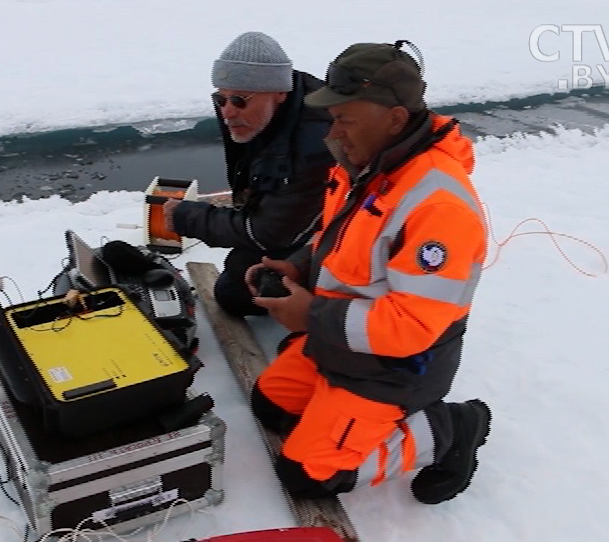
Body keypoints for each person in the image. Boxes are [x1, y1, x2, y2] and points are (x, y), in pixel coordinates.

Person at [245, 40, 492, 504]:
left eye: (345, 118)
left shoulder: (438, 204)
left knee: (306, 478)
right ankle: (332, 408)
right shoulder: (365, 163)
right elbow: (340, 240)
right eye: (332, 116)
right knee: (269, 405)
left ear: (395, 118)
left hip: (392, 368)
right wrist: (297, 267)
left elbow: (411, 327)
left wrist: (310, 315)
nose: (332, 130)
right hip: (337, 342)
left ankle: (451, 428)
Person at [163, 31, 335, 318]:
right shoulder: (265, 110)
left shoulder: (313, 144)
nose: (228, 111)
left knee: (237, 293)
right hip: (296, 214)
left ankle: (326, 296)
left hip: (335, 231)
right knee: (239, 272)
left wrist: (190, 218)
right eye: (221, 99)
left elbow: (270, 233)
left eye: (241, 100)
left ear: (280, 92)